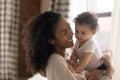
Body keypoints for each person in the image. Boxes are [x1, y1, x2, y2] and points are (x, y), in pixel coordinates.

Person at [22, 11, 114, 80]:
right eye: (65, 32)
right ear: (51, 40)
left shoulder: (62, 59)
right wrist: (109, 72)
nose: (72, 34)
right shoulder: (55, 61)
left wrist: (92, 73)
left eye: (70, 28)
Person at [69, 12, 114, 79]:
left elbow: (85, 60)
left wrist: (76, 70)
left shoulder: (91, 43)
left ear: (93, 33)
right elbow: (75, 53)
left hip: (100, 68)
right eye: (77, 31)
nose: (78, 35)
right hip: (88, 68)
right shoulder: (79, 40)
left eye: (83, 33)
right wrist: (72, 61)